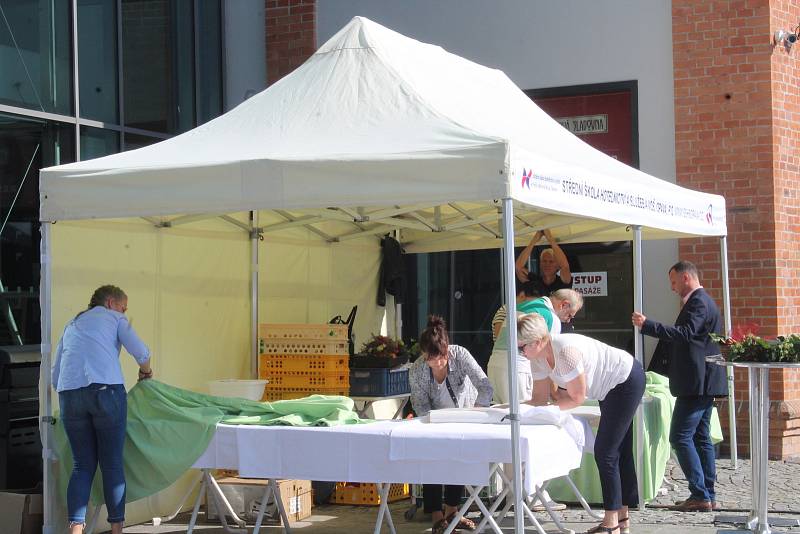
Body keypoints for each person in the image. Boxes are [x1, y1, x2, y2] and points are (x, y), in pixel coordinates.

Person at [518, 313, 644, 534]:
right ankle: (622, 518)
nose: (520, 352)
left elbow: (577, 397)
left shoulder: (565, 352)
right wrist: (512, 408)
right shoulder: (537, 358)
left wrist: (546, 410)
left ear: (537, 342)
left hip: (626, 380)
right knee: (618, 450)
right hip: (609, 387)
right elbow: (539, 399)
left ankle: (611, 522)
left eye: (522, 347)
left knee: (605, 452)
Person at [52, 285, 152, 534]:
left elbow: (55, 371)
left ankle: (75, 530)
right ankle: (117, 529)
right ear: (110, 303)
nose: (125, 312)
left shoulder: (72, 324)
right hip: (106, 392)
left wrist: (70, 393)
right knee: (112, 465)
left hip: (69, 394)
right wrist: (146, 372)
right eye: (123, 307)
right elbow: (141, 352)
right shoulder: (116, 318)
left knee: (81, 466)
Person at [631, 260, 726, 512]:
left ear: (686, 278)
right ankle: (708, 494)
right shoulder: (703, 301)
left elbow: (685, 333)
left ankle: (700, 494)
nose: (672, 288)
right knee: (701, 437)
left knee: (680, 437)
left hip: (697, 382)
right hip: (702, 381)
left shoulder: (698, 302)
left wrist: (647, 325)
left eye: (673, 282)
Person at [409, 315, 492, 534]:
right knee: (432, 462)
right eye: (431, 358)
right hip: (434, 420)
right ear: (423, 354)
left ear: (447, 350)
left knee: (458, 460)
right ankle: (436, 517)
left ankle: (453, 511)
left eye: (442, 357)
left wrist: (477, 412)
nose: (437, 362)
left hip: (465, 416)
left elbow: (485, 386)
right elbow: (419, 403)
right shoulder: (416, 369)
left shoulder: (461, 355)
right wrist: (435, 422)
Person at [487, 288, 584, 404]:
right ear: (564, 304)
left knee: (503, 417)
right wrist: (556, 394)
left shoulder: (524, 305)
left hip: (494, 366)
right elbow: (548, 360)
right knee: (524, 416)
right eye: (570, 315)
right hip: (518, 370)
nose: (568, 321)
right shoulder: (552, 318)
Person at [515, 228, 572, 296]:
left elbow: (565, 266)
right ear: (540, 264)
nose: (547, 264)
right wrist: (534, 240)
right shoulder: (534, 280)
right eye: (544, 261)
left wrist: (550, 239)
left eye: (551, 262)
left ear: (557, 266)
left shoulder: (563, 281)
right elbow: (518, 267)